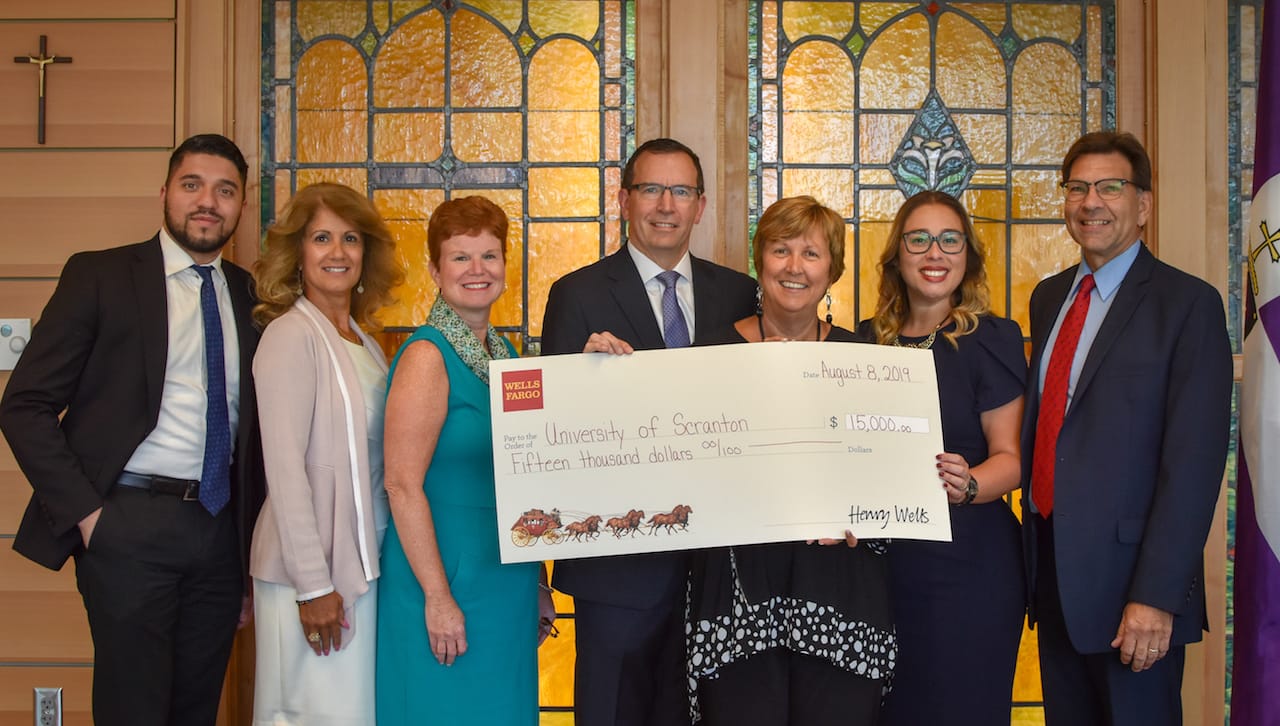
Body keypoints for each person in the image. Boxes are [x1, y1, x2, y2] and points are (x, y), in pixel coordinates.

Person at [0, 134, 263, 726]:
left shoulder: (252, 297)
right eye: (192, 185)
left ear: (241, 207)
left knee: (197, 710)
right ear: (165, 193)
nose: (207, 202)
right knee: (133, 711)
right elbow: (24, 404)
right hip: (127, 524)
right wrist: (90, 517)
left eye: (225, 191)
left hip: (220, 534)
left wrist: (249, 557)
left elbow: (259, 441)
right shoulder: (101, 276)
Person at [541, 137, 757, 726]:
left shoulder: (738, 293)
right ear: (623, 199)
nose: (666, 204)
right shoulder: (576, 294)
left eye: (680, 191)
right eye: (650, 189)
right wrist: (584, 380)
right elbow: (550, 434)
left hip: (719, 568)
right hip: (618, 567)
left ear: (701, 205)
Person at [1022, 131, 1232, 724]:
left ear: (1143, 205)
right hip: (1057, 582)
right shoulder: (1048, 298)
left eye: (1111, 187)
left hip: (1134, 598)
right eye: (1078, 188)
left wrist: (1156, 597)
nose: (1092, 202)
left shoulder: (1188, 305)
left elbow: (1192, 465)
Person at [675, 196, 893, 725]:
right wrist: (605, 375)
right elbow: (677, 468)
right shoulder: (708, 356)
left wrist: (865, 514)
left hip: (838, 597)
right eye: (780, 250)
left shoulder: (867, 362)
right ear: (760, 259)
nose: (794, 267)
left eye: (811, 254)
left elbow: (887, 482)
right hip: (738, 600)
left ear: (832, 270)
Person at [376, 196, 554, 725]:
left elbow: (528, 477)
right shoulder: (427, 356)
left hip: (506, 585)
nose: (477, 270)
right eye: (460, 257)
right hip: (444, 582)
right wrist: (437, 597)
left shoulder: (509, 359)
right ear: (435, 269)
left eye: (489, 256)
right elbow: (401, 485)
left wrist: (540, 582)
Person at [858, 190, 1026, 725]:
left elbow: (1012, 458)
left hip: (969, 569)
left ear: (968, 256)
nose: (936, 253)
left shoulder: (991, 339)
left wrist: (970, 483)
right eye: (920, 239)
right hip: (880, 569)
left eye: (950, 240)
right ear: (897, 256)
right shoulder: (864, 343)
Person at [249, 183, 403, 725]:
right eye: (321, 238)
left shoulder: (363, 341)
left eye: (350, 239)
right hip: (312, 574)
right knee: (311, 715)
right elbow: (285, 473)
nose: (338, 252)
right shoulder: (290, 336)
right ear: (298, 253)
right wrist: (314, 585)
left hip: (363, 564)